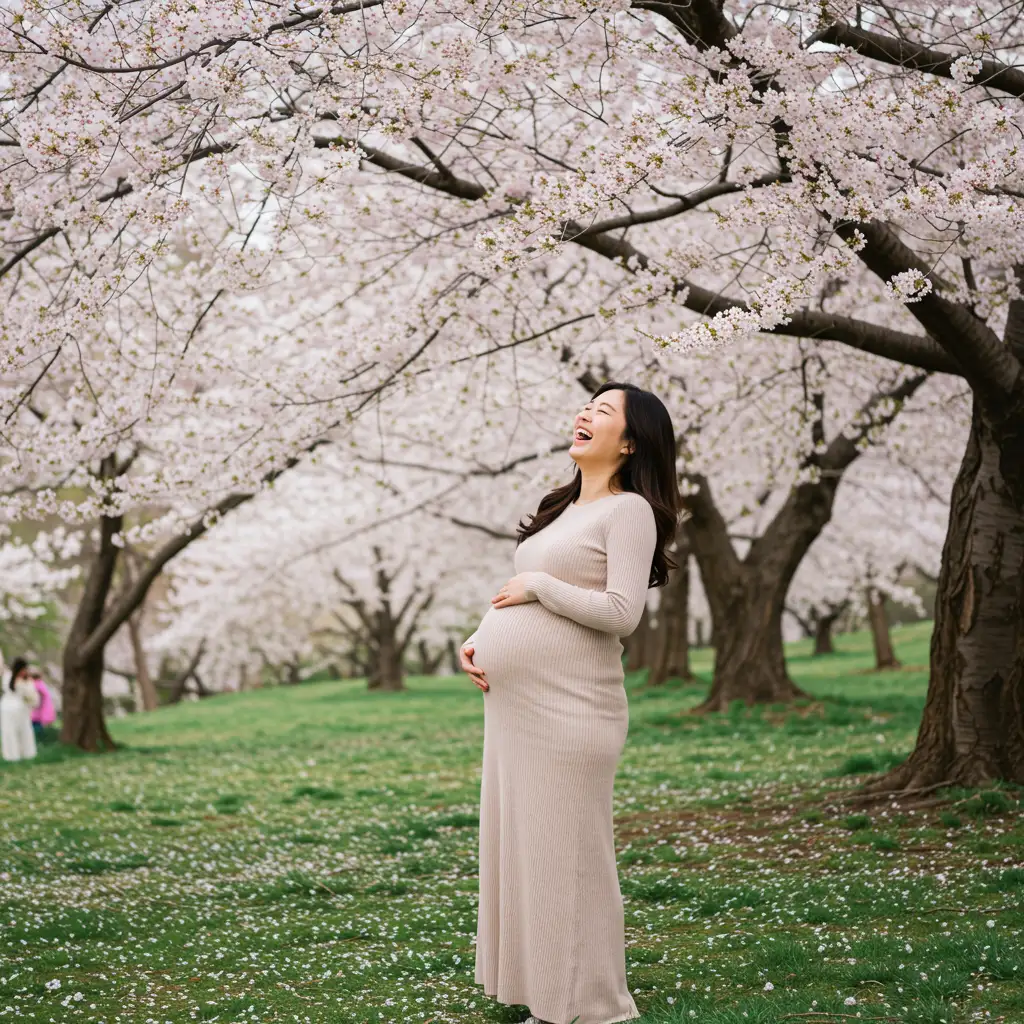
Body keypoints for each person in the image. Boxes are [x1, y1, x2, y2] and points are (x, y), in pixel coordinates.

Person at [460, 382, 680, 1024]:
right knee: (529, 851)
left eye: (604, 411)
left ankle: (597, 1006)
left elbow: (621, 613)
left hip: (573, 710)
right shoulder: (560, 509)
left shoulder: (629, 510)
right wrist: (478, 639)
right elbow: (517, 595)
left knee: (570, 856)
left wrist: (539, 584)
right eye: (587, 406)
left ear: (630, 440)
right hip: (517, 713)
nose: (586, 414)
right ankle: (550, 996)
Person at [1, 656, 41, 762]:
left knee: (24, 732)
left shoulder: (27, 681)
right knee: (9, 732)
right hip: (8, 710)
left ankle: (26, 754)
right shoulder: (8, 677)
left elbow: (33, 697)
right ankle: (11, 756)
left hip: (22, 710)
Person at [30, 667, 56, 740]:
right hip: (42, 708)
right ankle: (39, 737)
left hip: (38, 709)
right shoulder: (41, 683)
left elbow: (38, 697)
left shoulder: (36, 684)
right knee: (37, 723)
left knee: (36, 723)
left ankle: (38, 738)